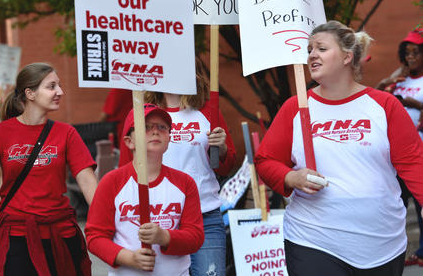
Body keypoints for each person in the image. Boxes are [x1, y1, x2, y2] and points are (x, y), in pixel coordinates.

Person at [255, 20, 423, 276]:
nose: (311, 54)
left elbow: (413, 162)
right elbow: (265, 161)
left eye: (321, 48)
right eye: (309, 49)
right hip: (313, 240)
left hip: (382, 244)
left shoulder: (384, 105)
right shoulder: (295, 107)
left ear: (347, 57)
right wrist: (291, 177)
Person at [0, 62, 98, 276]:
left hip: (61, 236)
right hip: (16, 239)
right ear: (30, 93)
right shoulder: (0, 133)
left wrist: (110, 223)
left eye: (59, 86)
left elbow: (89, 183)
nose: (60, 92)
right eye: (51, 86)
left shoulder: (67, 133)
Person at [119, 59, 236, 276]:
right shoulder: (141, 113)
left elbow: (225, 166)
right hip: (159, 218)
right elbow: (126, 170)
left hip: (205, 216)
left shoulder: (209, 110)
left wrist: (221, 149)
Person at [85, 104, 204, 275]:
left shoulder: (185, 183)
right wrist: (128, 258)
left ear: (169, 139)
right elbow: (95, 237)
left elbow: (196, 237)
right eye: (146, 127)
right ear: (129, 141)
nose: (155, 131)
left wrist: (165, 237)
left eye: (162, 127)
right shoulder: (111, 182)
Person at [376, 29, 423, 267]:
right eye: (407, 53)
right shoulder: (400, 78)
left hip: (420, 151)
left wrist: (413, 103)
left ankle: (422, 251)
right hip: (398, 153)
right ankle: (396, 251)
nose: (411, 57)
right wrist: (386, 82)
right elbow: (378, 100)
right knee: (398, 203)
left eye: (416, 52)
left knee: (421, 202)